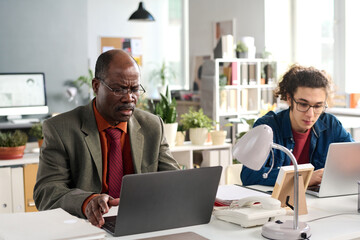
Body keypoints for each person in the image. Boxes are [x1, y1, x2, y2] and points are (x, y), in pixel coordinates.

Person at [34, 49, 180, 227]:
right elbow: (46, 192)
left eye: (135, 89)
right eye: (119, 89)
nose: (129, 98)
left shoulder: (153, 126)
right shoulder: (60, 129)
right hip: (86, 227)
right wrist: (87, 201)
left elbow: (175, 181)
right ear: (96, 86)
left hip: (143, 224)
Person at [240, 64, 353, 186]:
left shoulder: (331, 125)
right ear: (289, 99)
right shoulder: (267, 127)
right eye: (303, 104)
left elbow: (354, 161)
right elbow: (249, 176)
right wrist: (303, 178)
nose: (310, 114)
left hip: (318, 201)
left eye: (318, 106)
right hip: (277, 202)